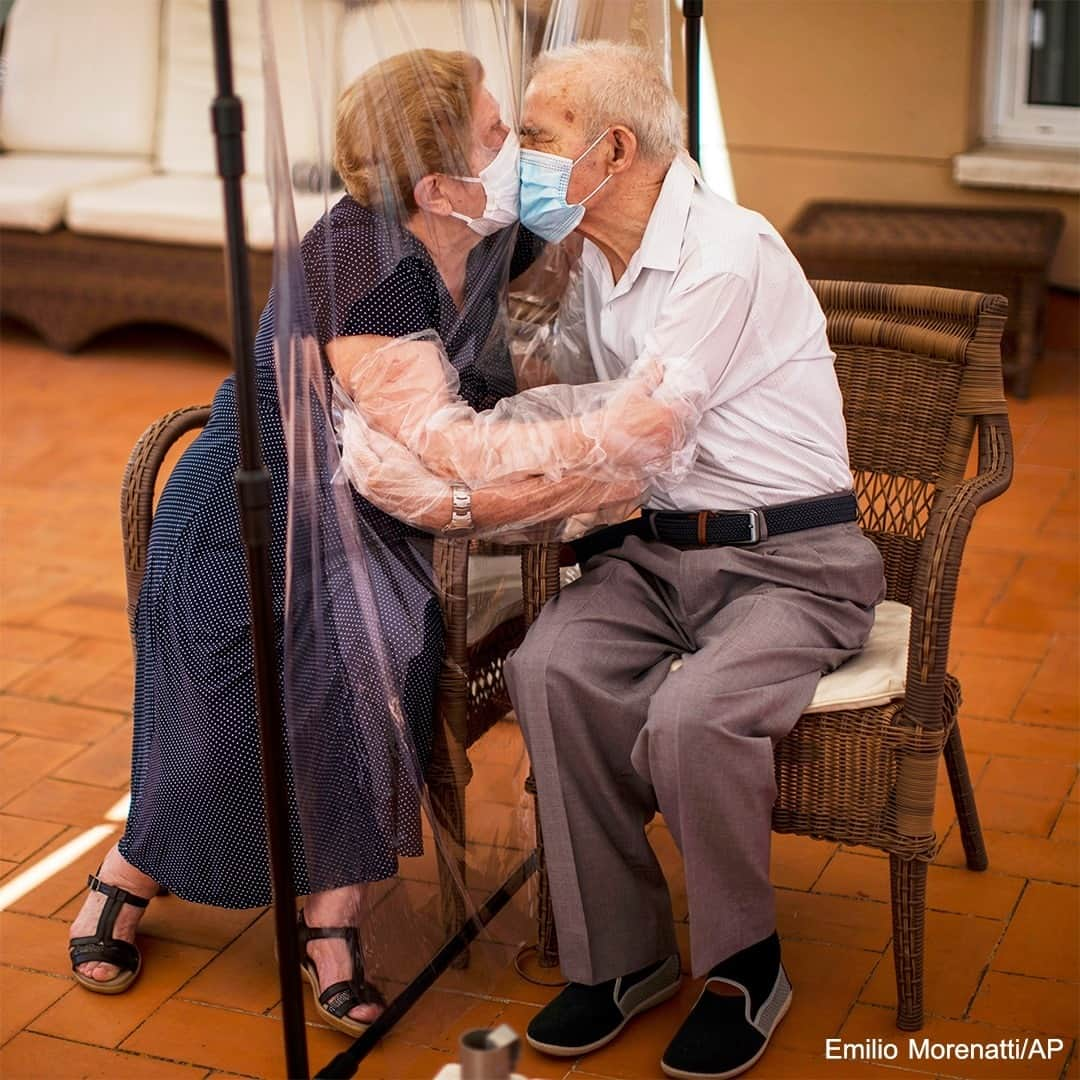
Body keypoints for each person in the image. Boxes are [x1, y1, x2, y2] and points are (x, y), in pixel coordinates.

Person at [65, 47, 672, 1035]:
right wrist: (612, 444)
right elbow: (447, 445)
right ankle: (129, 867)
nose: (515, 152)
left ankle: (330, 922)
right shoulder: (362, 264)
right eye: (496, 136)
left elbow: (583, 206)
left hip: (367, 519)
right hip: (247, 517)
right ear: (435, 183)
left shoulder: (476, 228)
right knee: (260, 688)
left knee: (382, 656)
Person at [495, 42, 886, 1080]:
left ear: (612, 149)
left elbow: (633, 433)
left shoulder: (729, 249)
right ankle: (622, 959)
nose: (521, 160)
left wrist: (467, 491)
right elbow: (570, 399)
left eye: (537, 139)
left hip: (791, 561)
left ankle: (745, 965)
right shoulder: (592, 255)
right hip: (659, 560)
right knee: (548, 670)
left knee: (694, 714)